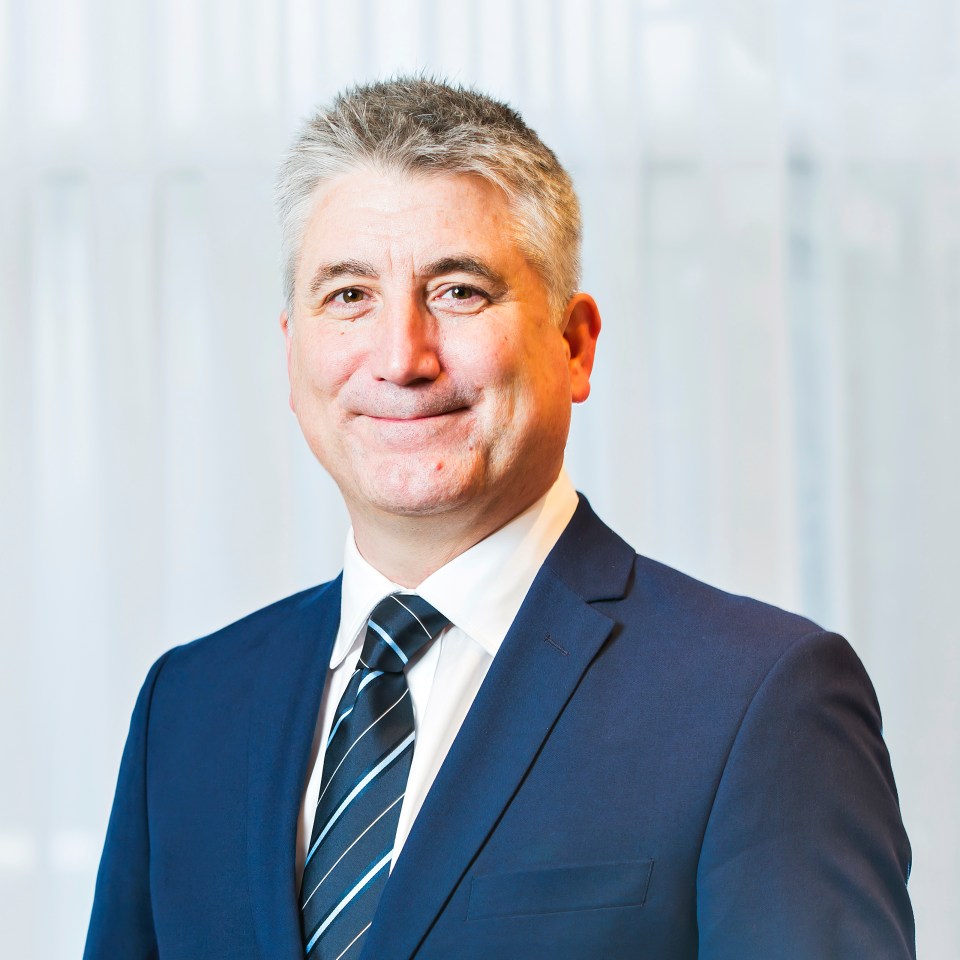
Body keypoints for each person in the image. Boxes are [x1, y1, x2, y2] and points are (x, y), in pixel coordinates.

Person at [84, 77, 914, 960]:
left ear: (574, 344)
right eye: (349, 296)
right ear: (293, 354)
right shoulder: (190, 707)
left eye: (460, 291)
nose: (401, 358)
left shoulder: (756, 701)